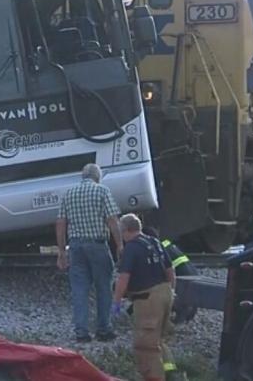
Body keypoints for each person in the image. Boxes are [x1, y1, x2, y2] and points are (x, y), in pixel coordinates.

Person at [56, 163, 123, 343]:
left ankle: (81, 332)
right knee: (103, 288)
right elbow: (112, 220)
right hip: (97, 244)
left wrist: (61, 251)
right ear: (97, 176)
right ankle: (103, 329)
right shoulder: (102, 191)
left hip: (76, 247)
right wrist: (120, 245)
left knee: (79, 290)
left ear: (83, 176)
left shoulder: (69, 194)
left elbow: (61, 224)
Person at [113, 214, 184, 381]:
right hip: (165, 292)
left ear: (126, 230)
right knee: (158, 340)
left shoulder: (131, 248)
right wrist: (171, 292)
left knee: (146, 346)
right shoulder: (154, 242)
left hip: (148, 299)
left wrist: (116, 301)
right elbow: (170, 270)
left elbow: (123, 278)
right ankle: (172, 374)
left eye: (121, 232)